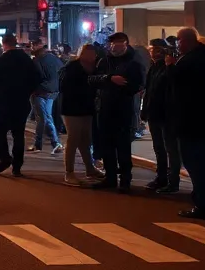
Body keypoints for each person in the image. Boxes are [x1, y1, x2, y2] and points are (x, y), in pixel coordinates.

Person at [170, 28, 205, 219]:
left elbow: (181, 86)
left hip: (193, 120)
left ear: (186, 41)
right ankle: (204, 199)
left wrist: (171, 68)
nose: (177, 44)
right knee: (199, 162)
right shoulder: (204, 59)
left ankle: (203, 203)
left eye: (178, 41)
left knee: (196, 163)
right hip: (199, 119)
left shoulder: (194, 61)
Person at [91, 32, 143, 191]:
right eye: (112, 43)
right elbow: (92, 79)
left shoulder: (133, 63)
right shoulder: (104, 61)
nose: (113, 46)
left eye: (118, 42)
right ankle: (110, 177)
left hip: (123, 109)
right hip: (104, 108)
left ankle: (125, 180)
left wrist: (122, 87)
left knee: (123, 146)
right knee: (107, 145)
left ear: (125, 43)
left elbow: (136, 85)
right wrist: (109, 79)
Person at [0, 34, 43, 176]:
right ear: (15, 43)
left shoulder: (1, 61)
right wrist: (27, 91)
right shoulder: (26, 59)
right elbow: (37, 78)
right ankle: (17, 166)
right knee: (18, 134)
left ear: (4, 44)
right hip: (22, 102)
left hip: (5, 101)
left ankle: (5, 157)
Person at [59, 44, 102, 185]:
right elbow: (64, 86)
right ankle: (69, 173)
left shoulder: (95, 67)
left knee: (86, 140)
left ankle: (90, 168)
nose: (90, 56)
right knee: (73, 139)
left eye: (92, 53)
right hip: (72, 108)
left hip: (87, 108)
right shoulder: (72, 67)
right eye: (87, 52)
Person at [142, 39, 180, 194]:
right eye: (151, 49)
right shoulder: (153, 67)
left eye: (157, 49)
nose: (153, 52)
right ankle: (161, 176)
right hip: (154, 113)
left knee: (170, 148)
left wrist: (170, 65)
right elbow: (149, 91)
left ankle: (173, 181)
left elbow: (173, 86)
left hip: (167, 114)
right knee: (159, 147)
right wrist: (145, 110)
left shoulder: (169, 67)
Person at [29, 38, 63, 154]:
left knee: (44, 118)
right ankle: (38, 144)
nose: (31, 48)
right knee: (42, 118)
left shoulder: (37, 61)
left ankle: (55, 143)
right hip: (53, 91)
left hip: (41, 92)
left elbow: (35, 77)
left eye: (33, 45)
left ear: (39, 46)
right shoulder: (55, 59)